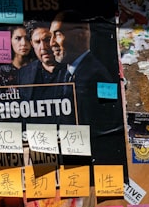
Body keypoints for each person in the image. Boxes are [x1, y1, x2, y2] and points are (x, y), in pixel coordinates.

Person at [50, 10, 125, 164]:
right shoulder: (67, 74)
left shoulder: (98, 75)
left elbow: (109, 120)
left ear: (80, 35)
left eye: (57, 34)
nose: (51, 43)